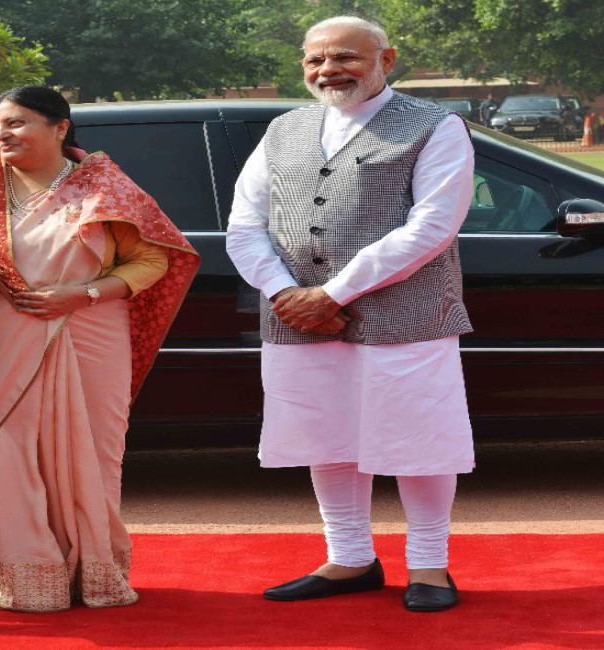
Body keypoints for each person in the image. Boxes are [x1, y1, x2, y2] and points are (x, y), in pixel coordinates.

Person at [0, 86, 199, 612]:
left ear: (60, 127)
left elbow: (153, 261)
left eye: (16, 123)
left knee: (92, 454)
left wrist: (82, 294)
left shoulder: (104, 188)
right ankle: (21, 579)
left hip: (89, 329)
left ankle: (91, 573)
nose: (1, 135)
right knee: (3, 452)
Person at [225, 16, 475, 613]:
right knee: (326, 434)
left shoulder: (436, 126)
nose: (328, 70)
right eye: (315, 60)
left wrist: (332, 295)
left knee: (418, 438)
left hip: (407, 316)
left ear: (387, 59)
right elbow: (244, 226)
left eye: (344, 57)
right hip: (296, 317)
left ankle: (429, 565)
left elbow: (432, 227)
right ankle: (350, 558)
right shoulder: (284, 129)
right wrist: (287, 294)